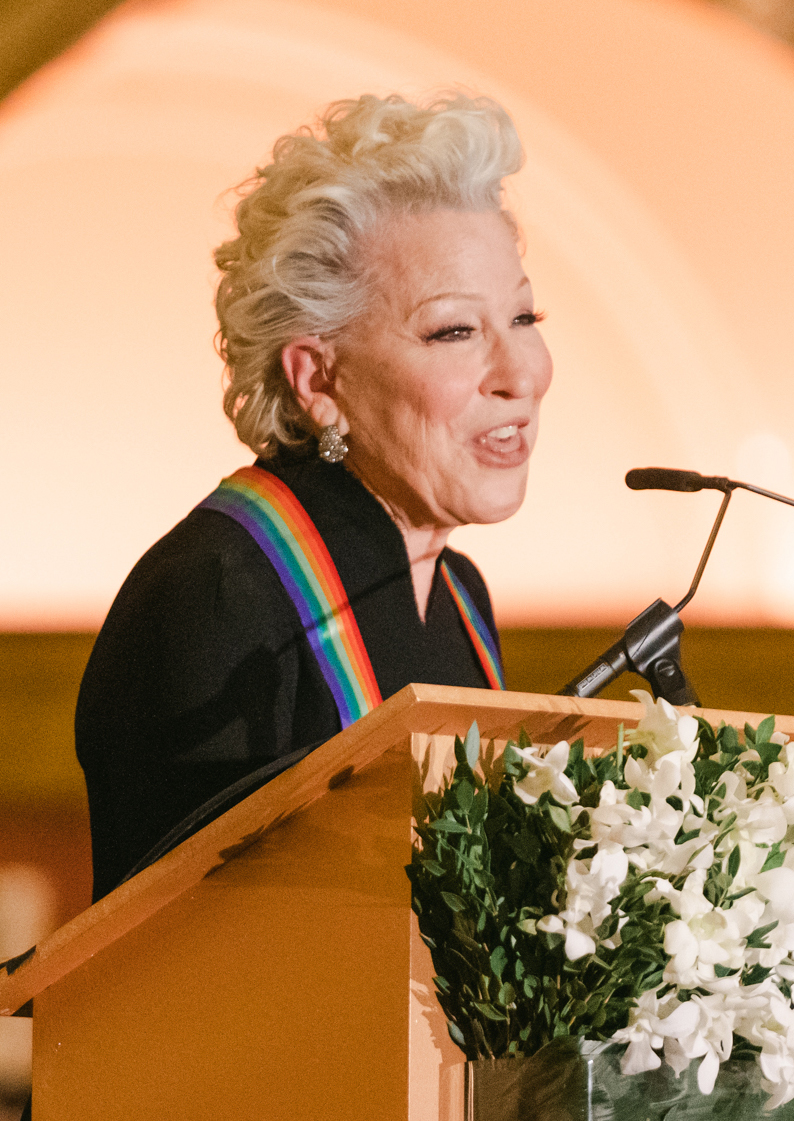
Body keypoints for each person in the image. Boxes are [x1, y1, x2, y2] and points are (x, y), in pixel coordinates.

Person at [75, 92, 553, 902]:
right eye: (453, 331)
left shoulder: (457, 592)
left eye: (523, 315)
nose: (521, 373)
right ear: (317, 381)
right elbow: (202, 949)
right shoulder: (218, 590)